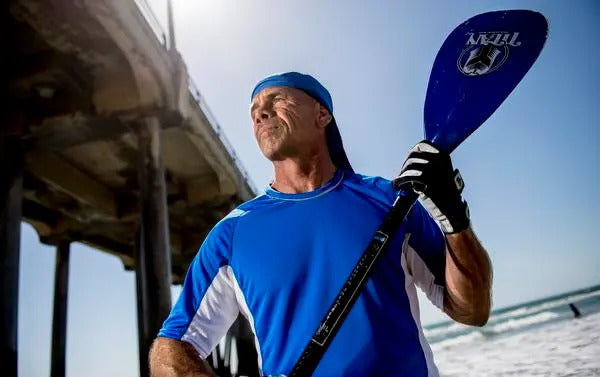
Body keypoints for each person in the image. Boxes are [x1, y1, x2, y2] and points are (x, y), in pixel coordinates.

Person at [149, 72, 493, 377]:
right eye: (254, 110)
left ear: (322, 114)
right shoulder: (231, 235)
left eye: (277, 99)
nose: (260, 113)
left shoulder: (389, 201)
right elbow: (171, 349)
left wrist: (454, 219)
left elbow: (471, 309)